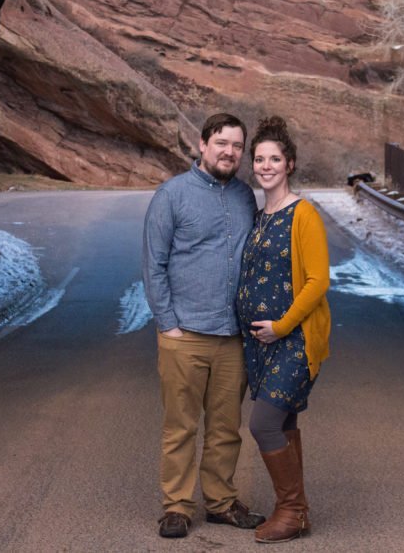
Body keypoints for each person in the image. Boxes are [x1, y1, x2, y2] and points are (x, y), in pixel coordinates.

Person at [142, 113, 266, 539]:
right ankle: (176, 506)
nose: (229, 152)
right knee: (181, 426)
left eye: (236, 146)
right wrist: (168, 324)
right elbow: (153, 264)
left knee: (225, 427)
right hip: (185, 335)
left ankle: (221, 502)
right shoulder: (171, 196)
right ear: (202, 144)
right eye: (221, 143)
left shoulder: (246, 197)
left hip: (233, 336)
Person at [237, 116, 331, 543]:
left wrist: (282, 325)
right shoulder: (260, 216)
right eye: (259, 158)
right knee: (285, 423)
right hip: (261, 344)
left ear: (289, 164)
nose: (266, 165)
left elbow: (318, 281)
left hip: (292, 340)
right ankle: (301, 513)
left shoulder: (303, 213)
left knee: (264, 423)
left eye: (275, 158)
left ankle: (289, 510)